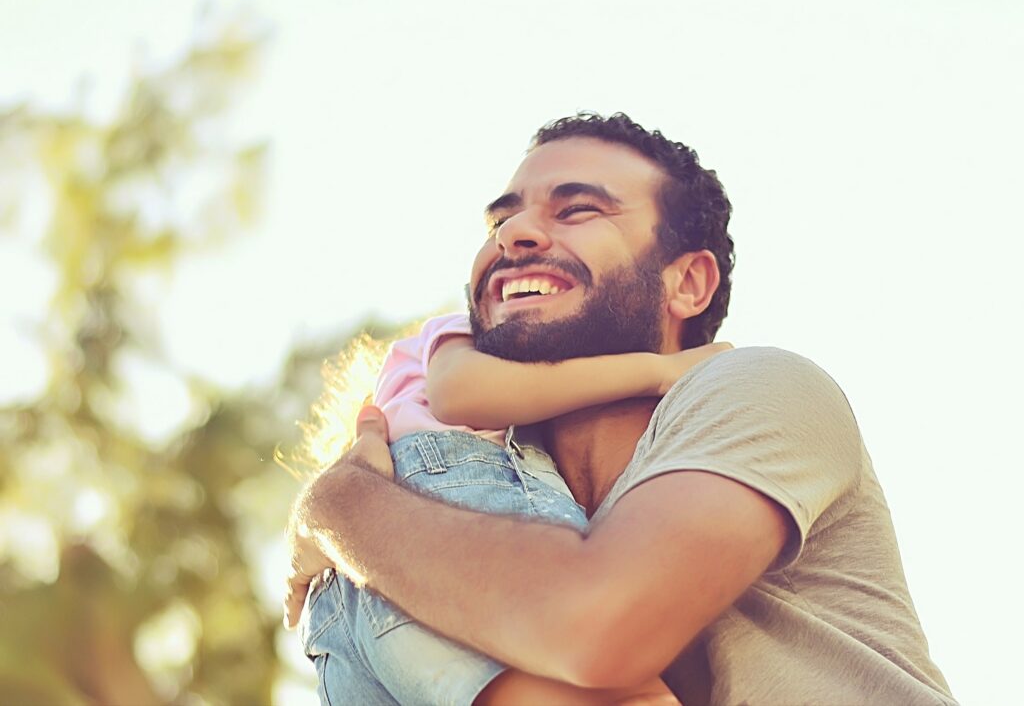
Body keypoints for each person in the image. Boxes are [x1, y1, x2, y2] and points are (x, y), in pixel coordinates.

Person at [285, 113, 956, 705]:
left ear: (687, 282)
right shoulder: (489, 487)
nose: (514, 234)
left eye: (577, 210)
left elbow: (595, 627)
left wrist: (336, 506)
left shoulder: (756, 387)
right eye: (500, 219)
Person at [301, 310, 727, 704]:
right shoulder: (473, 333)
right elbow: (459, 392)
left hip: (335, 607)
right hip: (444, 489)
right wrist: (660, 371)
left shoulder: (373, 447)